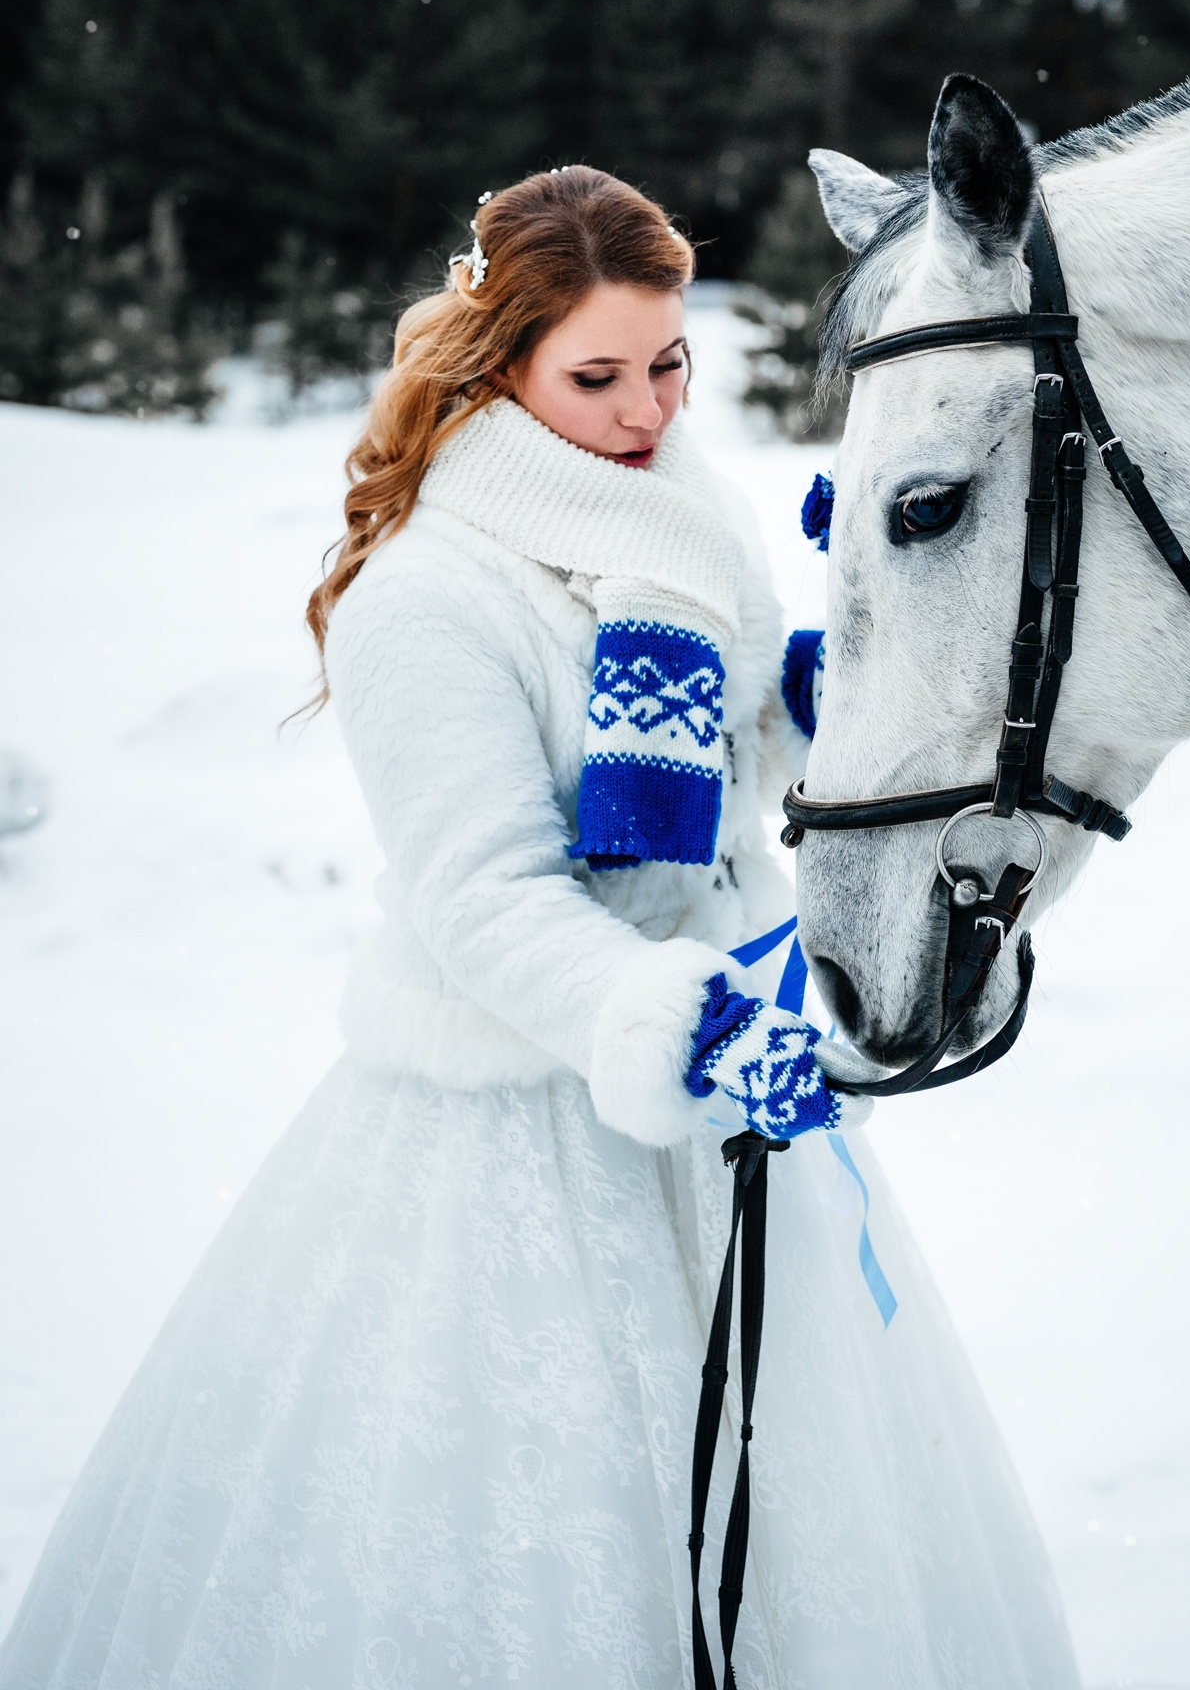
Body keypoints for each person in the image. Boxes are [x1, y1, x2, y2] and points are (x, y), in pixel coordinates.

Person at [0, 168, 1078, 1688]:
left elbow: (706, 782)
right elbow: (486, 900)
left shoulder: (671, 525)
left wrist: (827, 678)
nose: (648, 409)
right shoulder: (428, 599)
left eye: (669, 362)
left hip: (726, 1097)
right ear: (497, 361)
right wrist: (670, 1021)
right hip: (513, 1131)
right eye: (598, 376)